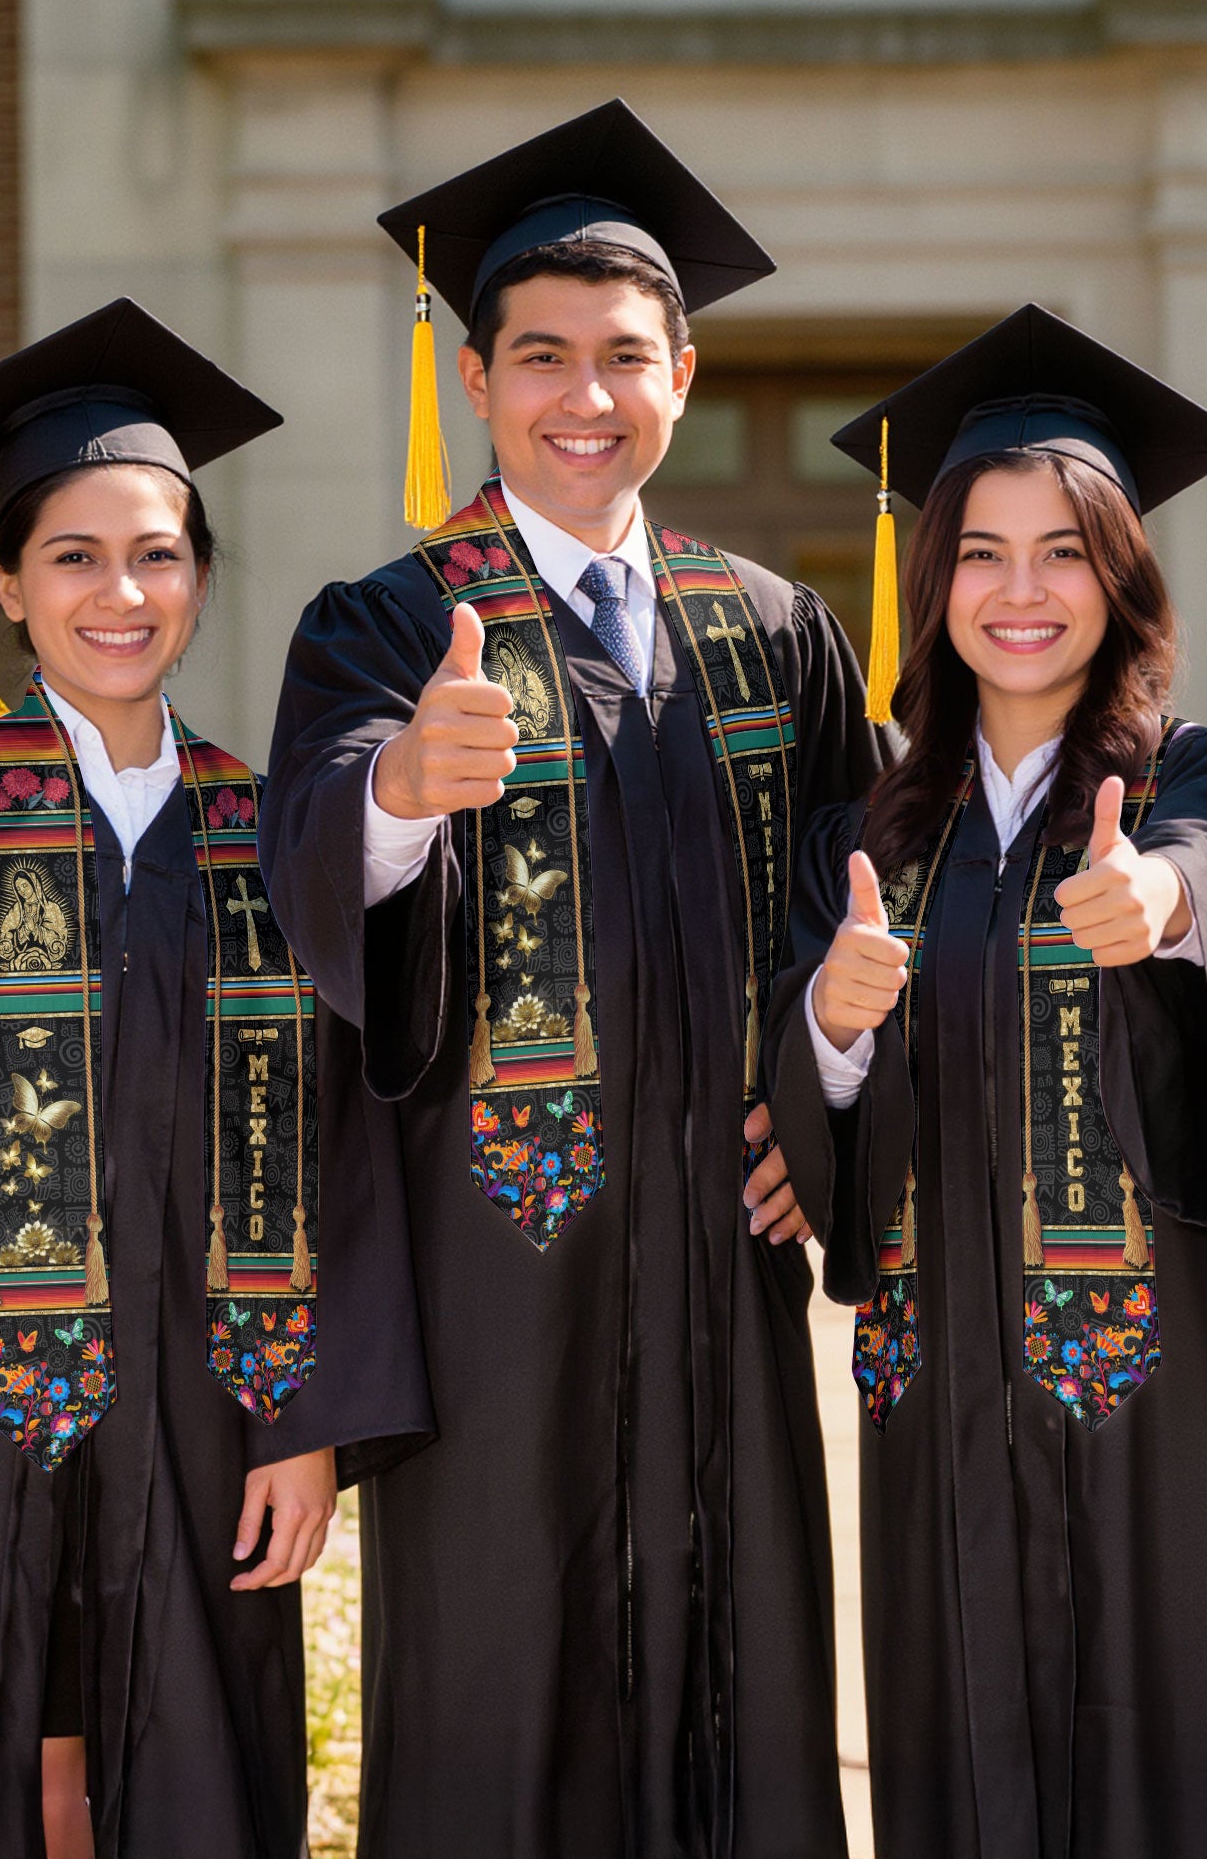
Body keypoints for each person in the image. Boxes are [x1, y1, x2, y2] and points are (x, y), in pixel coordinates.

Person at [260, 100, 887, 1858]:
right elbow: (306, 856)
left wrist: (828, 1109)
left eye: (626, 357)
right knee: (500, 1704)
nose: (584, 397)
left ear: (683, 373)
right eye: (542, 357)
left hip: (722, 1270)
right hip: (497, 1282)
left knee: (742, 1686)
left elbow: (879, 908)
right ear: (477, 380)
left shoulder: (770, 625)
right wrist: (396, 791)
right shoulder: (386, 624)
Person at [0, 299, 429, 1859]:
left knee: (187, 1762)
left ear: (200, 578)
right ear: (5, 585)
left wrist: (312, 1421)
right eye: (72, 555)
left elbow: (348, 1146)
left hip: (210, 1409)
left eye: (157, 553)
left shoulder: (273, 834)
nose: (118, 592)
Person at [766, 306, 1207, 1858]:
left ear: (1123, 576)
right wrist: (828, 1015)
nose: (1023, 593)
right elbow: (814, 1112)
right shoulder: (868, 838)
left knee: (1192, 1759)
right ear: (932, 580)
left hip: (1170, 1395)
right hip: (941, 1390)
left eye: (1066, 551)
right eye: (982, 553)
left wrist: (1161, 907)